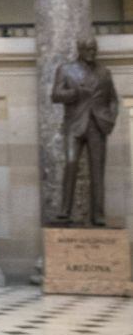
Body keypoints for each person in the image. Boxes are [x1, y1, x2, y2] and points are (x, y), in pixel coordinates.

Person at [52, 37, 118, 226]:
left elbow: (113, 99)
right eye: (88, 49)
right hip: (74, 126)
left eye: (94, 49)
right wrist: (74, 93)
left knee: (98, 171)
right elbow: (55, 95)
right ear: (80, 50)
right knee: (71, 165)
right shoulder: (66, 69)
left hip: (97, 126)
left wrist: (110, 118)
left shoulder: (104, 72)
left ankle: (98, 214)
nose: (92, 52)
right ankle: (64, 211)